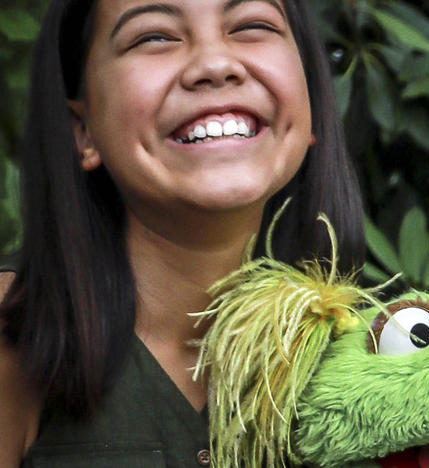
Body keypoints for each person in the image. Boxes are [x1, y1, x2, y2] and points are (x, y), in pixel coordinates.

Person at [0, 0, 364, 466]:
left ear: (309, 97)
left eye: (252, 25)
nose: (215, 65)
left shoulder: (379, 351)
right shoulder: (14, 335)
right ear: (83, 130)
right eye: (154, 37)